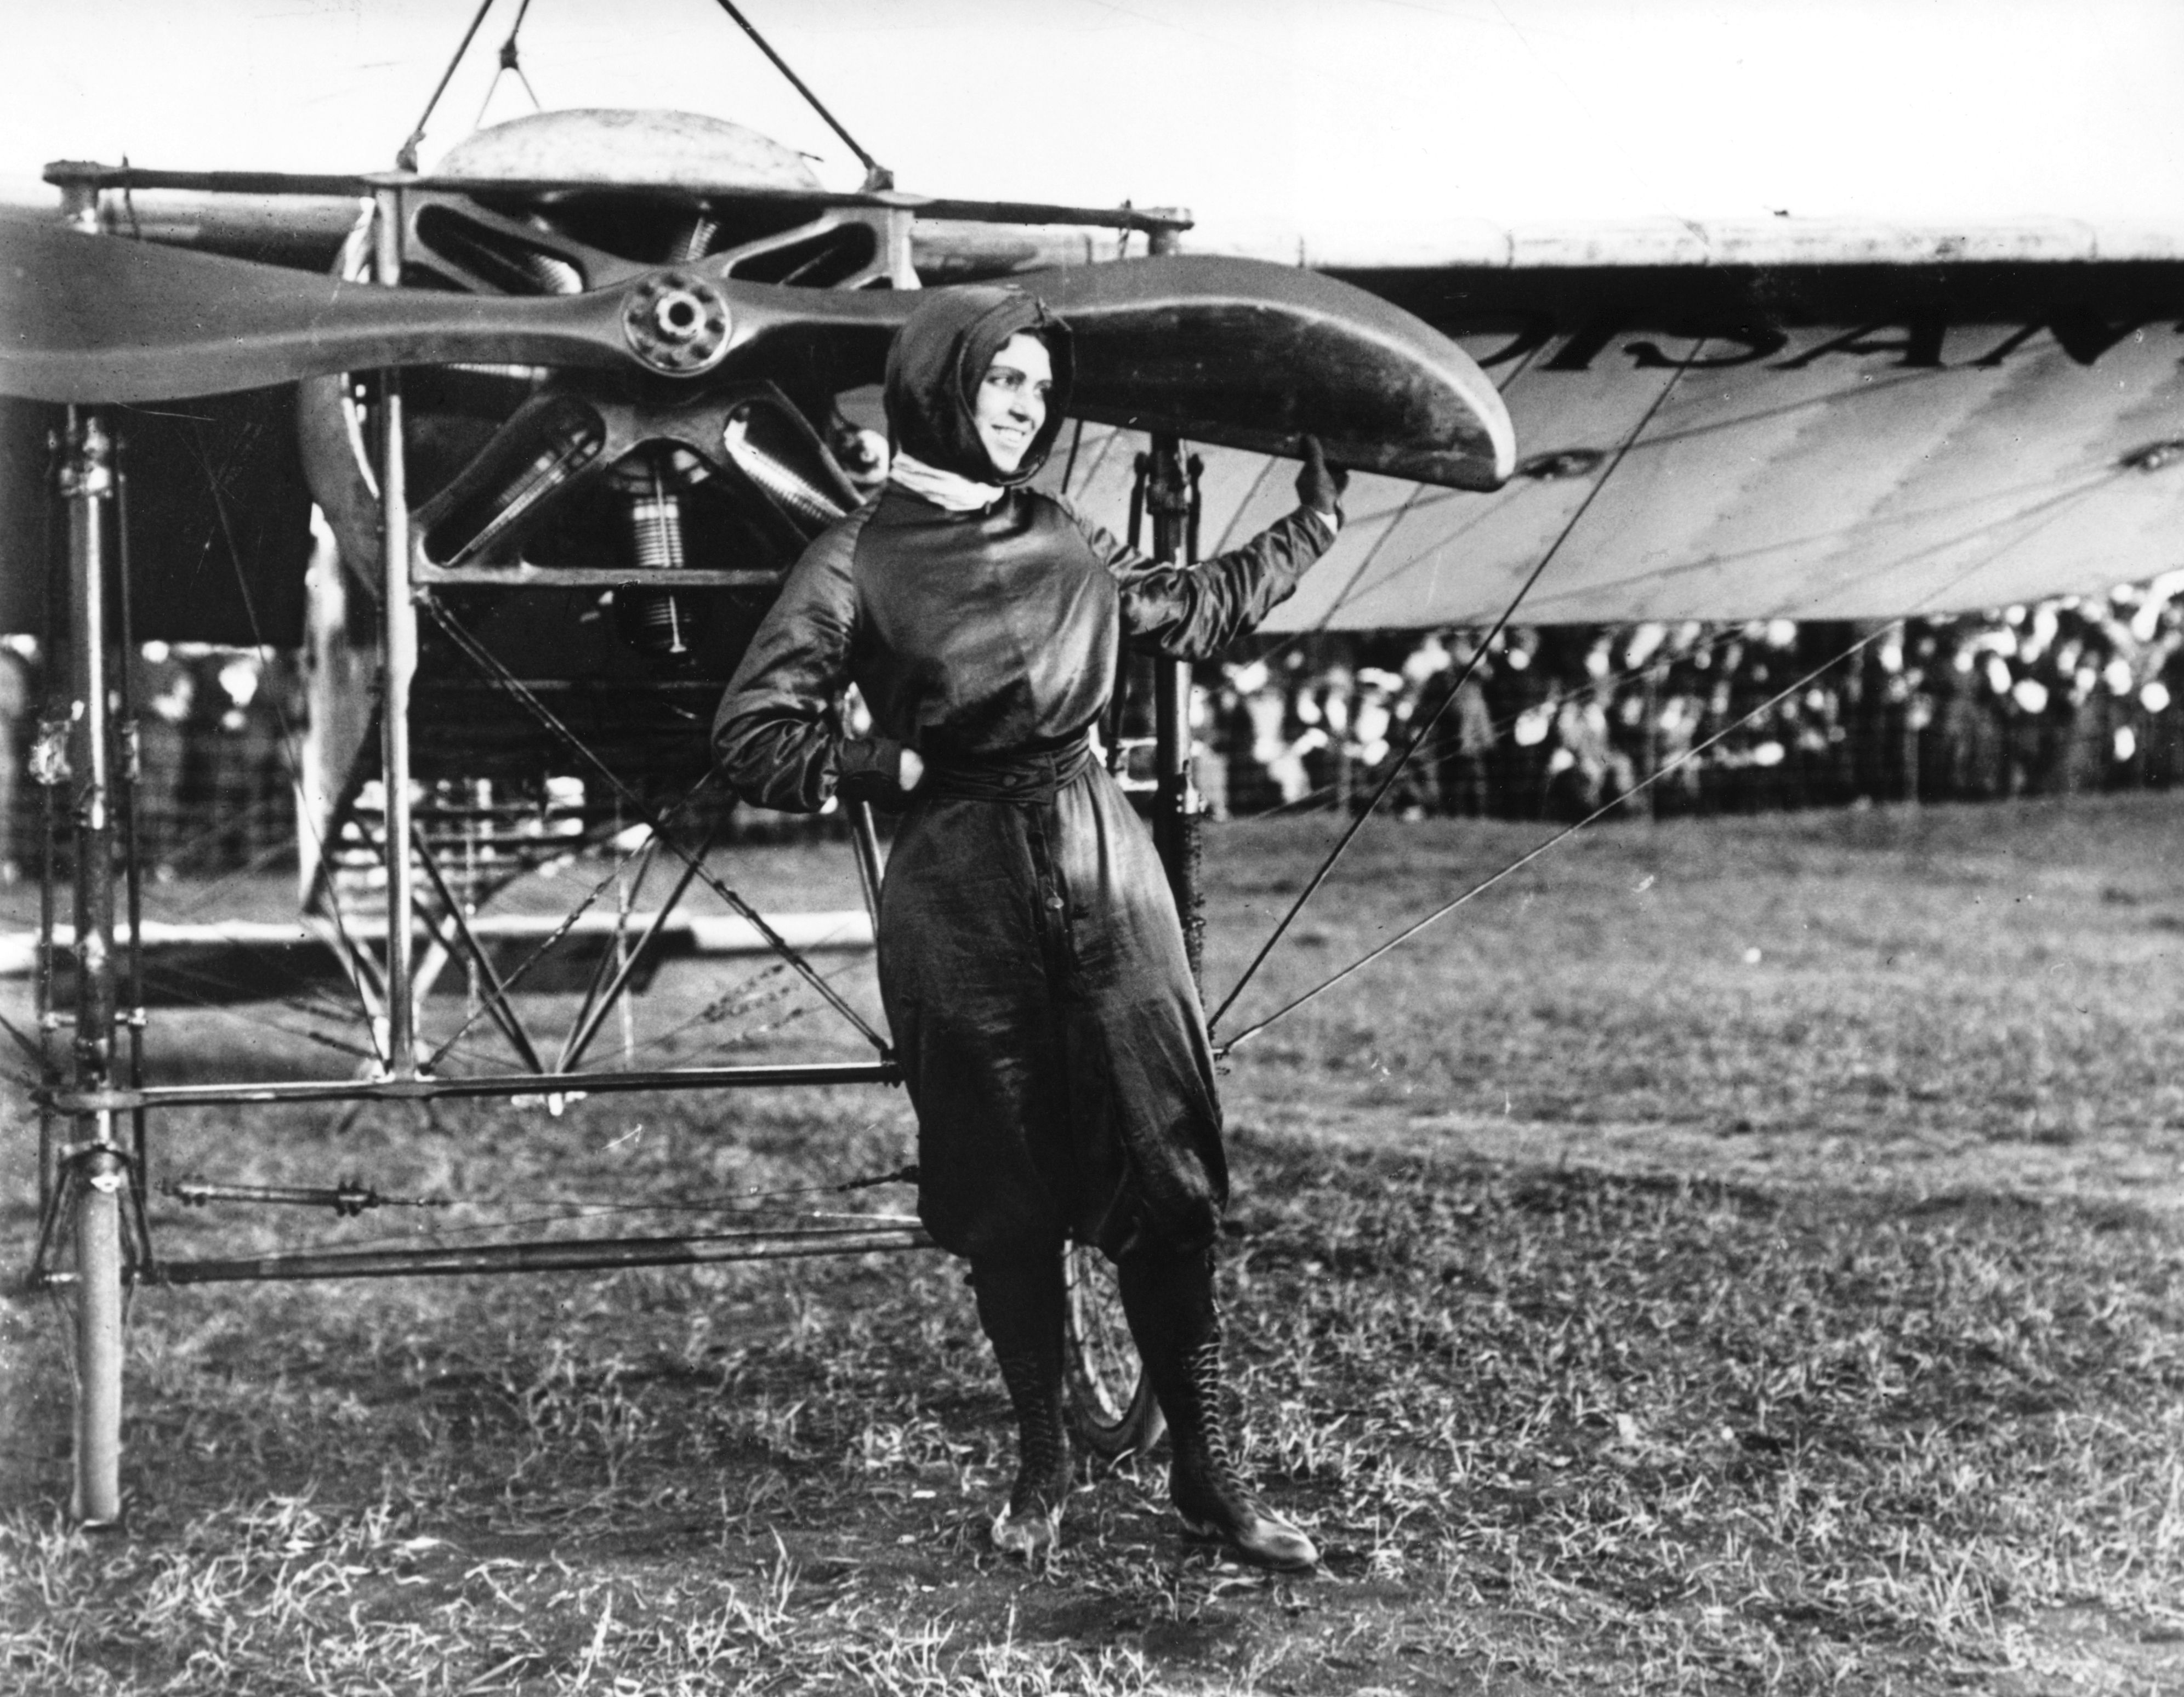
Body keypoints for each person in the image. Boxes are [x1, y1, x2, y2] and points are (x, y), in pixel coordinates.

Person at [713, 285, 1346, 1570]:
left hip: (1106, 869)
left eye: (1040, 393)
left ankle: (1209, 1479)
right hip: (959, 892)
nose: (1025, 410)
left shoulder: (1062, 536)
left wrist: (1311, 530)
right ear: (943, 386)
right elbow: (753, 735)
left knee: (1169, 1185)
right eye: (1003, 384)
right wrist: (882, 769)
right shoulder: (853, 557)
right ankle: (1043, 1461)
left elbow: (1193, 605)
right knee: (1004, 1197)